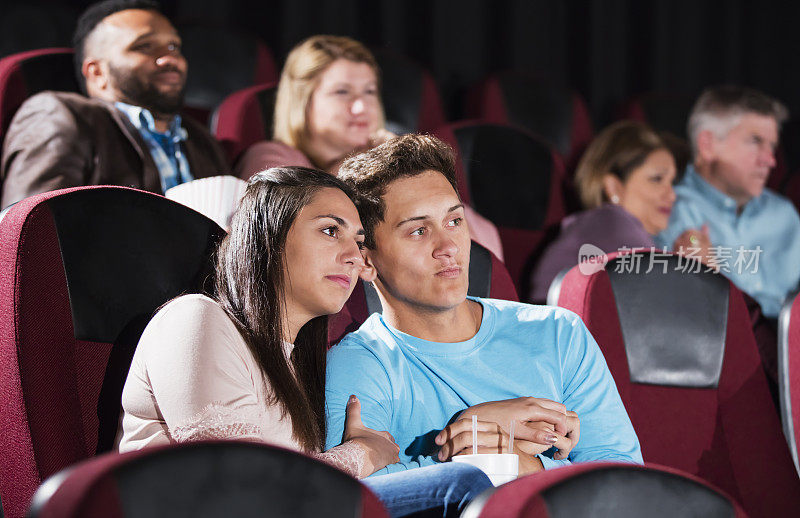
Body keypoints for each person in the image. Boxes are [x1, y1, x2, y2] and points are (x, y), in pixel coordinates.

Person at [119, 166, 493, 517]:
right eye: (331, 231)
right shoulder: (197, 318)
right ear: (269, 235)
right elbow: (240, 489)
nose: (352, 256)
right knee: (460, 486)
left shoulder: (299, 363)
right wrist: (361, 454)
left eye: (358, 241)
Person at [325, 134, 642, 477]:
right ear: (366, 260)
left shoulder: (560, 333)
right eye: (419, 231)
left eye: (454, 221)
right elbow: (361, 496)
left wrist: (522, 463)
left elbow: (621, 478)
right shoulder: (360, 363)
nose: (449, 246)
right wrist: (474, 436)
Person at [233, 35, 504, 261]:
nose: (361, 107)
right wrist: (376, 164)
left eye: (369, 92)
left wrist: (415, 169)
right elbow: (290, 238)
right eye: (342, 92)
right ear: (303, 102)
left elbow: (486, 249)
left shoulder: (391, 161)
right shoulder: (269, 156)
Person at [0, 0, 229, 210]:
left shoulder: (202, 140)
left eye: (173, 47)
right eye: (144, 46)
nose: (170, 59)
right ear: (97, 72)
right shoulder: (60, 116)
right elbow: (30, 236)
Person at [657, 86, 798, 320]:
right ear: (707, 145)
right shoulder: (670, 210)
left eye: (772, 146)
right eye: (755, 142)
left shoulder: (784, 214)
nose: (771, 160)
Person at [528, 121, 679, 302]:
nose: (671, 195)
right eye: (657, 179)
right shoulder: (612, 223)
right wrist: (702, 268)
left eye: (672, 182)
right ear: (613, 186)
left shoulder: (604, 225)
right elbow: (671, 304)